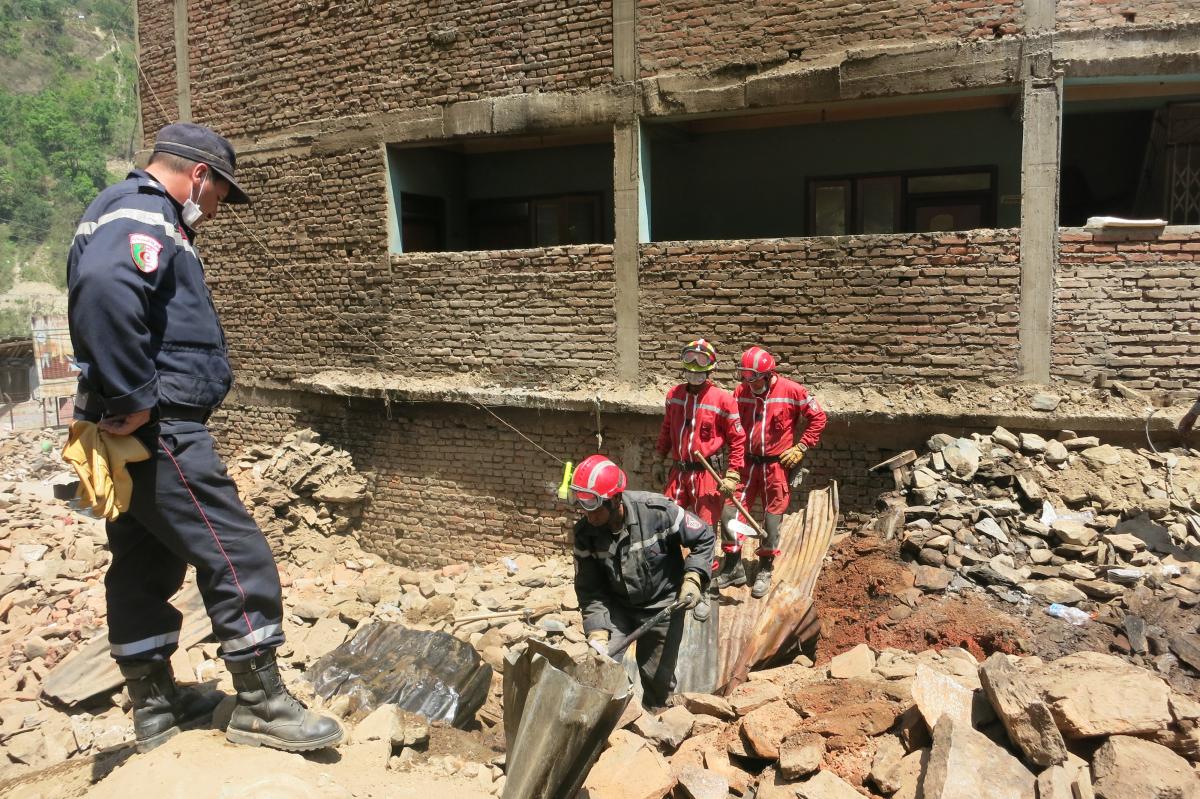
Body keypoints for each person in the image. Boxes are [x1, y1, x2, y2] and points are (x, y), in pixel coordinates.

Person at [67, 122, 342, 753]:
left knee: (144, 560)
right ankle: (262, 703)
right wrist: (136, 398)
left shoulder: (120, 213)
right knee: (236, 551)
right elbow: (107, 292)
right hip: (159, 425)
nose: (216, 207)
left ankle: (157, 705)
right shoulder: (143, 213)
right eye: (219, 193)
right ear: (198, 175)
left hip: (127, 428)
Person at [570, 454, 715, 707]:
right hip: (617, 610)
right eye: (581, 504)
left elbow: (704, 537)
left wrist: (693, 578)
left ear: (615, 499)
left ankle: (656, 728)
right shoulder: (586, 534)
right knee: (599, 670)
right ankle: (608, 729)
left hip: (663, 606)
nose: (587, 513)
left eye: (593, 505)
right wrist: (597, 631)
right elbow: (590, 590)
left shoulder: (657, 511)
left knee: (658, 683)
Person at [717, 346, 827, 598]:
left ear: (767, 375)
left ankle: (765, 566)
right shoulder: (741, 392)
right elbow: (729, 422)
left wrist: (801, 446)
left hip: (776, 465)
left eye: (753, 378)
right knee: (730, 510)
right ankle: (733, 565)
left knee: (772, 518)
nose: (748, 383)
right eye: (744, 377)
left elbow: (818, 417)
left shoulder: (793, 391)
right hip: (746, 463)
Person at [652, 338, 745, 619]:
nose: (694, 369)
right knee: (665, 525)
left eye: (701, 364)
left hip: (707, 474)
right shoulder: (674, 395)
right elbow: (667, 429)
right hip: (679, 472)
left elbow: (738, 440)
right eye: (689, 362)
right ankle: (668, 583)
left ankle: (701, 587)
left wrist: (732, 474)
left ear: (710, 369)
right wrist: (659, 458)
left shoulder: (723, 400)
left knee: (704, 533)